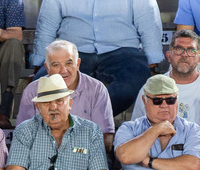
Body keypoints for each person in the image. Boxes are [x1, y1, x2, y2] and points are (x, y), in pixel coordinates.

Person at [30, 0, 163, 116]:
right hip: (72, 51)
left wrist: (153, 60)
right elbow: (46, 27)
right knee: (41, 86)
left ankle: (90, 120)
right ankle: (75, 122)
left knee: (132, 82)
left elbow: (149, 23)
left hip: (122, 52)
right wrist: (39, 61)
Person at [130, 29, 200, 149]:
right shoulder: (151, 88)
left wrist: (193, 155)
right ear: (169, 56)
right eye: (178, 49)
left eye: (191, 50)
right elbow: (135, 134)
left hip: (199, 161)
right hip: (154, 159)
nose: (184, 55)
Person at [17, 40, 115, 141]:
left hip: (85, 153)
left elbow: (105, 136)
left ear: (78, 64)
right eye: (56, 65)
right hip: (42, 153)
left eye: (69, 63)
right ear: (47, 68)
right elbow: (22, 134)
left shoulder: (97, 89)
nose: (63, 70)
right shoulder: (32, 90)